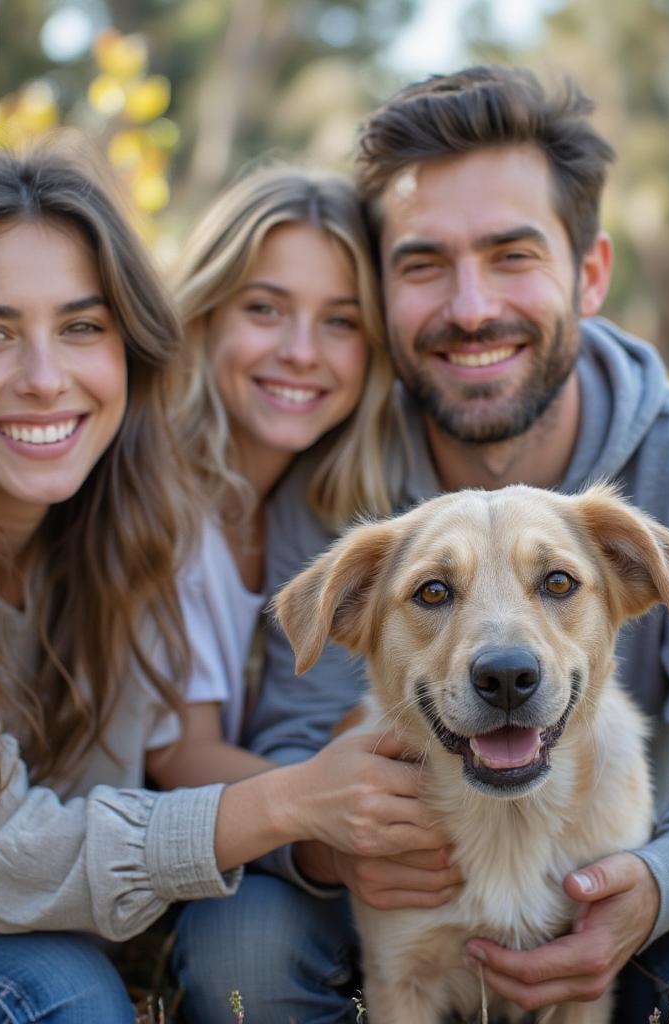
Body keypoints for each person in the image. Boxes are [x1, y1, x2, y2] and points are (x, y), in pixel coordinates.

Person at [174, 67, 669, 1023]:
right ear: (384, 291)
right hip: (403, 881)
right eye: (425, 264)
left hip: (622, 859)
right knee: (240, 945)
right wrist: (331, 846)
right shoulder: (341, 463)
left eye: (512, 255)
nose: (471, 307)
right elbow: (298, 737)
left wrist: (653, 886)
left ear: (589, 273)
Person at [0, 145, 447, 1023]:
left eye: (81, 327)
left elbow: (101, 803)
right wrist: (295, 803)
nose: (43, 377)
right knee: (56, 994)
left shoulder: (117, 526)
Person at [146, 165, 401, 787]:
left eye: (340, 321)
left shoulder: (322, 505)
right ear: (205, 315)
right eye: (265, 309)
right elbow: (178, 756)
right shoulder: (156, 500)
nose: (301, 352)